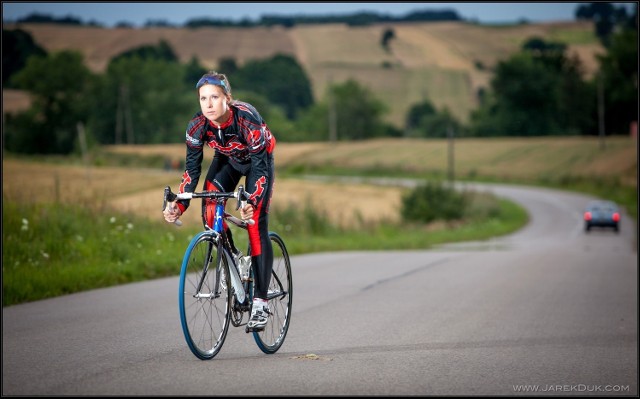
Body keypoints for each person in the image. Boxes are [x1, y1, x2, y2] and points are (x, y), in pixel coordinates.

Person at [163, 71, 276, 331]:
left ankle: (260, 302)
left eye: (215, 97)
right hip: (227, 161)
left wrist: (251, 200)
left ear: (228, 98)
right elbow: (191, 170)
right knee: (210, 211)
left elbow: (259, 169)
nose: (209, 104)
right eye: (203, 99)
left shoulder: (247, 118)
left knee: (255, 222)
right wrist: (178, 205)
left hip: (259, 163)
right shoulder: (196, 126)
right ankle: (233, 257)